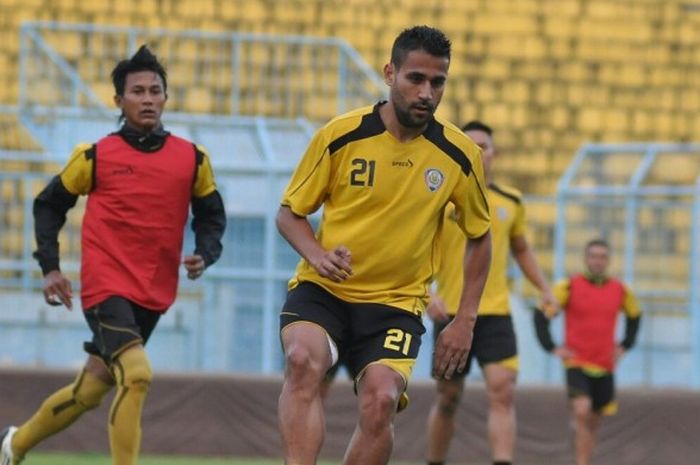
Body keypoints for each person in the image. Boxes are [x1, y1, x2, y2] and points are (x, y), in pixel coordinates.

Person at [276, 25, 492, 465]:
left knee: (381, 401)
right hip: (325, 290)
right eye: (416, 78)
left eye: (438, 82)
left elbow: (480, 236)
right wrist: (317, 255)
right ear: (390, 73)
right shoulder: (340, 135)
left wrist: (465, 319)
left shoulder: (459, 155)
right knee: (301, 360)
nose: (427, 93)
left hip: (396, 303)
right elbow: (289, 214)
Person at [0, 45, 226, 465]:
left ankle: (12, 445)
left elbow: (212, 214)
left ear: (165, 97)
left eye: (155, 90)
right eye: (137, 91)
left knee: (91, 389)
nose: (147, 98)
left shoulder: (192, 159)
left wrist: (205, 252)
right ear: (118, 101)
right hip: (106, 287)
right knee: (137, 375)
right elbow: (49, 205)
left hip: (154, 290)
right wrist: (50, 268)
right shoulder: (95, 156)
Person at [425, 121, 556, 465]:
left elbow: (522, 249)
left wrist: (545, 288)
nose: (478, 151)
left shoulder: (511, 201)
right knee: (448, 397)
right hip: (451, 312)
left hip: (495, 312)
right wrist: (425, 293)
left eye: (484, 145)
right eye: (471, 144)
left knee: (503, 390)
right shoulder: (440, 199)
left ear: (494, 154)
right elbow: (414, 246)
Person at [534, 238, 641, 465]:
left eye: (603, 256)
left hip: (605, 364)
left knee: (593, 421)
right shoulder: (569, 286)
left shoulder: (620, 290)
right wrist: (551, 346)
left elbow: (635, 315)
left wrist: (625, 345)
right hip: (577, 362)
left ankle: (583, 460)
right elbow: (541, 314)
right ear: (586, 259)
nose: (598, 261)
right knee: (582, 410)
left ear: (608, 260)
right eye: (593, 256)